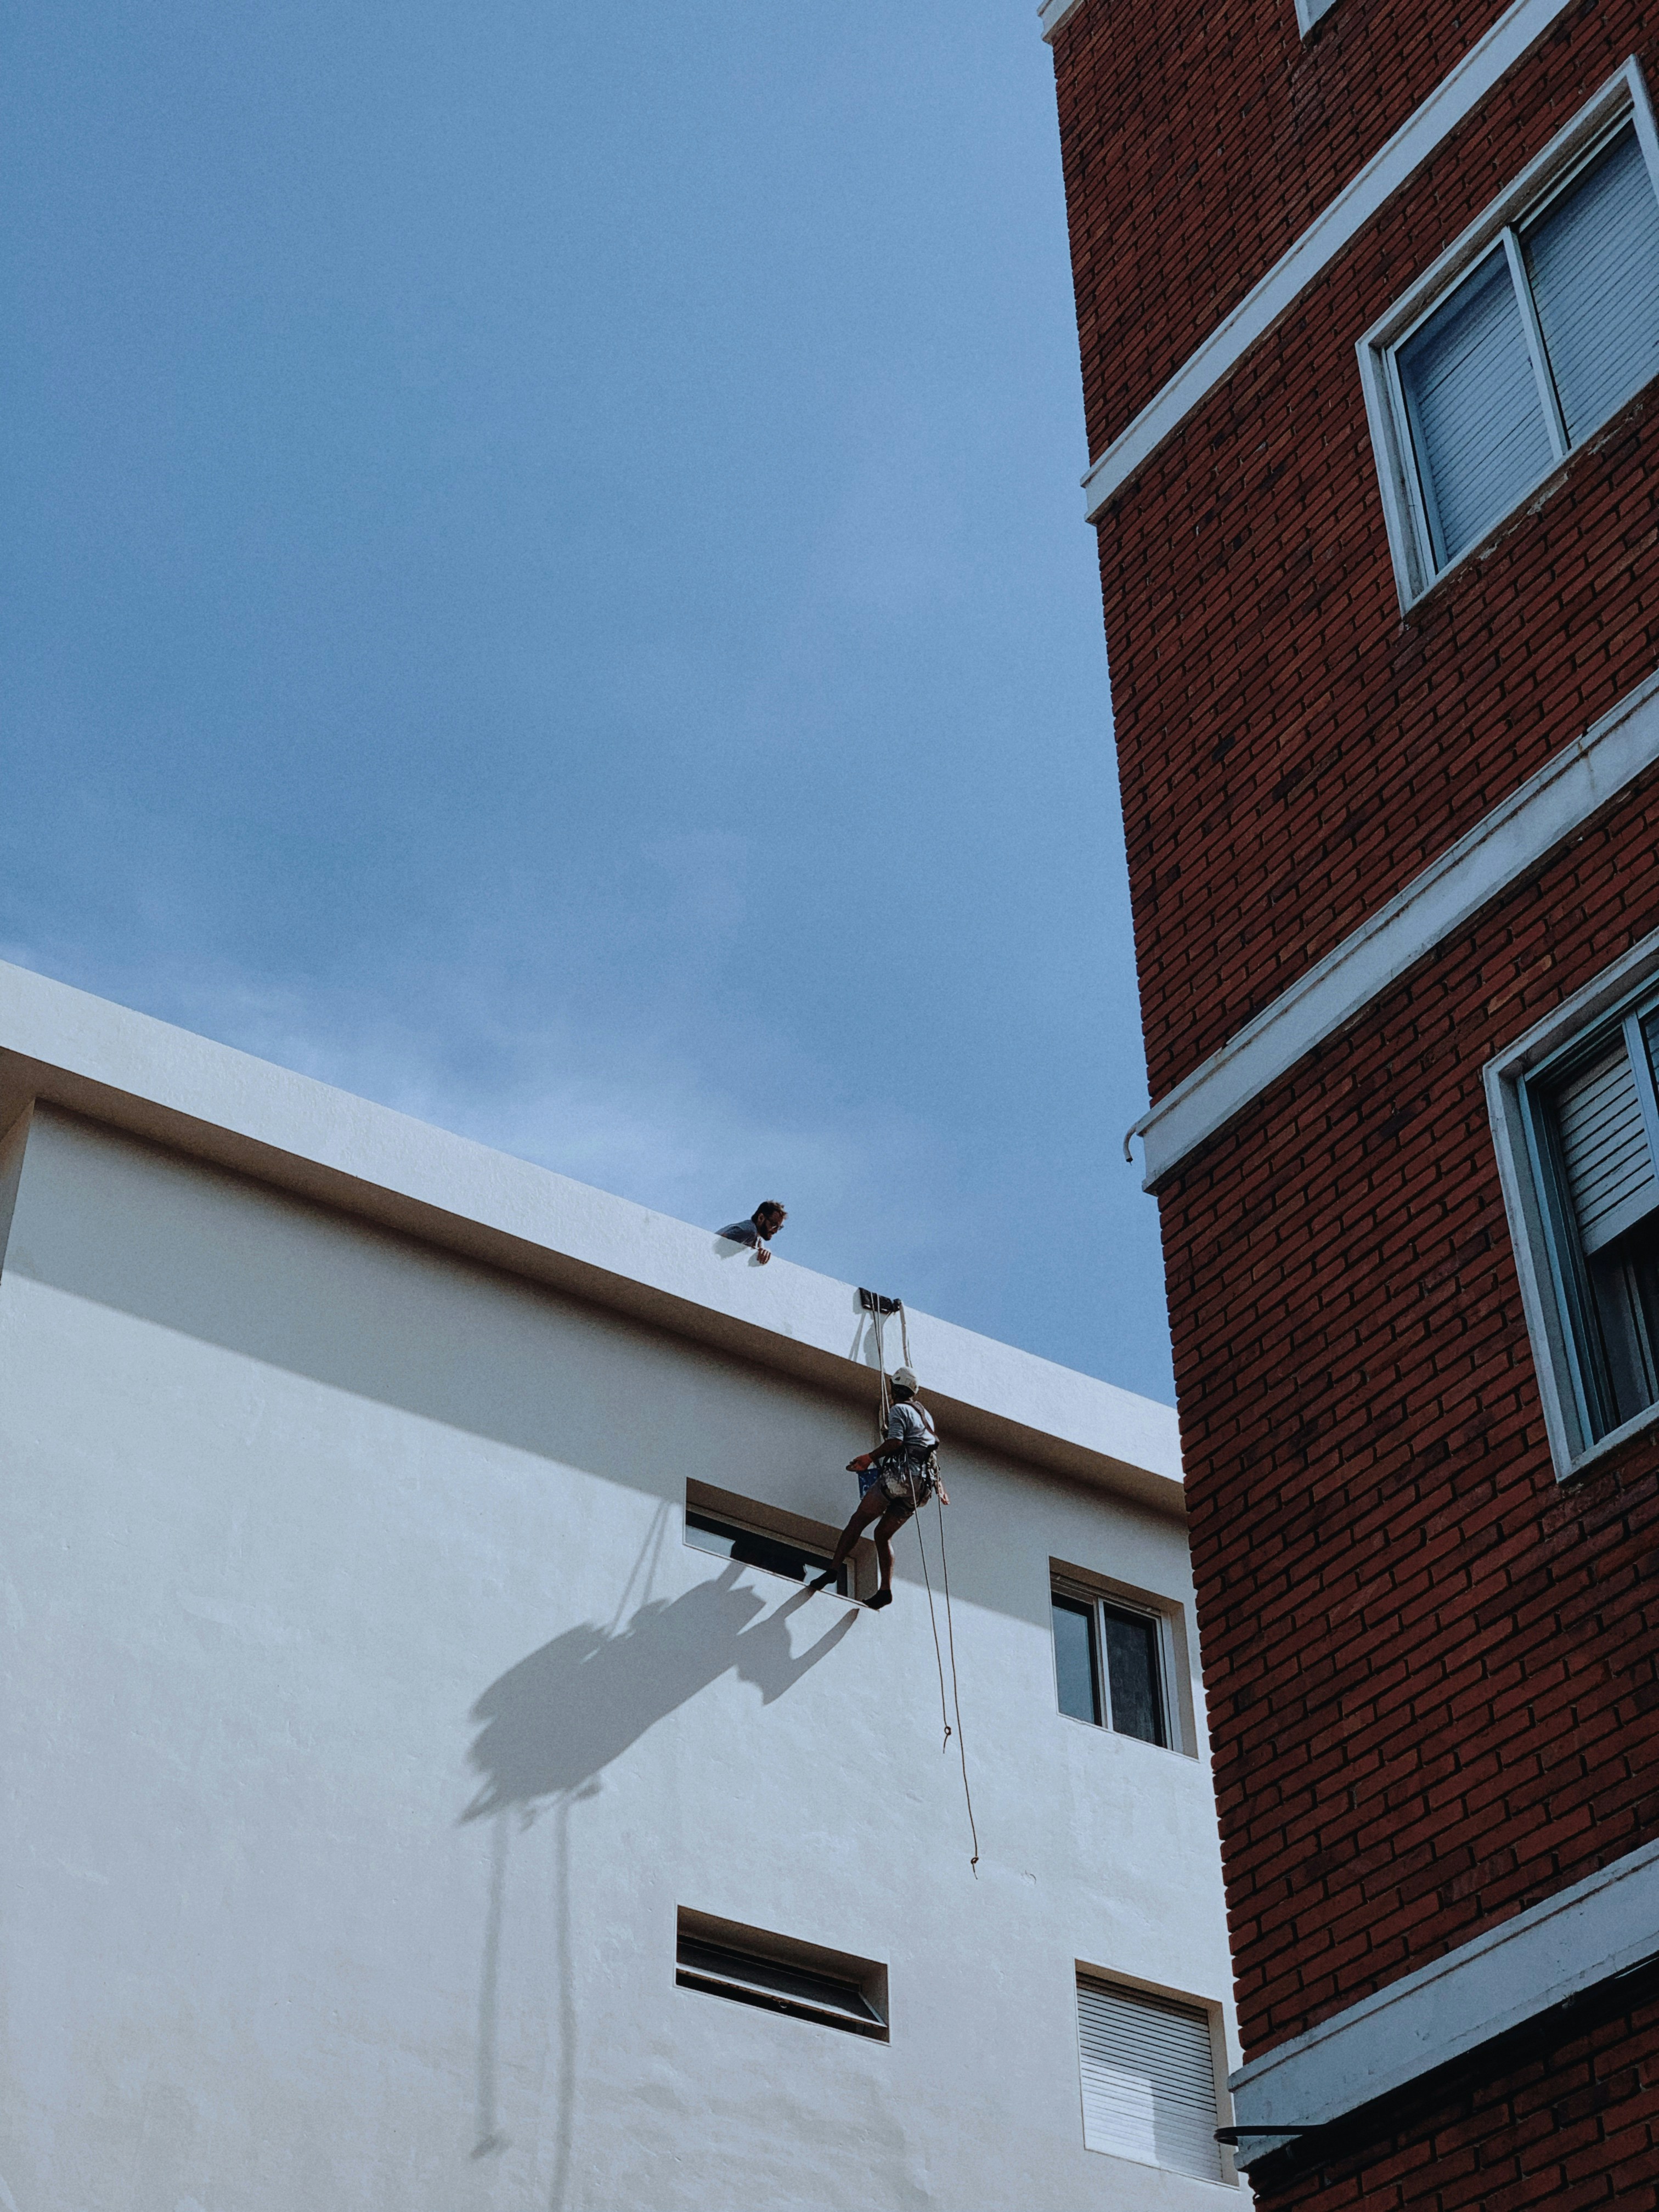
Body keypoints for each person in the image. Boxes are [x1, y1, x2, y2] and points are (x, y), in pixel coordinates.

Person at [820, 1367, 949, 1611]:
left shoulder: (899, 1410)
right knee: (882, 1535)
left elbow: (896, 1442)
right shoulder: (925, 1416)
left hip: (900, 1479)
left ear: (894, 1389)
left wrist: (869, 1457)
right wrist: (940, 1484)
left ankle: (833, 1570)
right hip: (921, 1488)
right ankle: (885, 1590)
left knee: (859, 1520)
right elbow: (929, 1450)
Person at [715, 1201, 787, 1264]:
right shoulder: (749, 1232)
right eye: (774, 1225)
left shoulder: (758, 1238)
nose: (776, 1231)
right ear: (761, 1218)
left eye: (779, 1227)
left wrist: (766, 1251)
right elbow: (721, 1243)